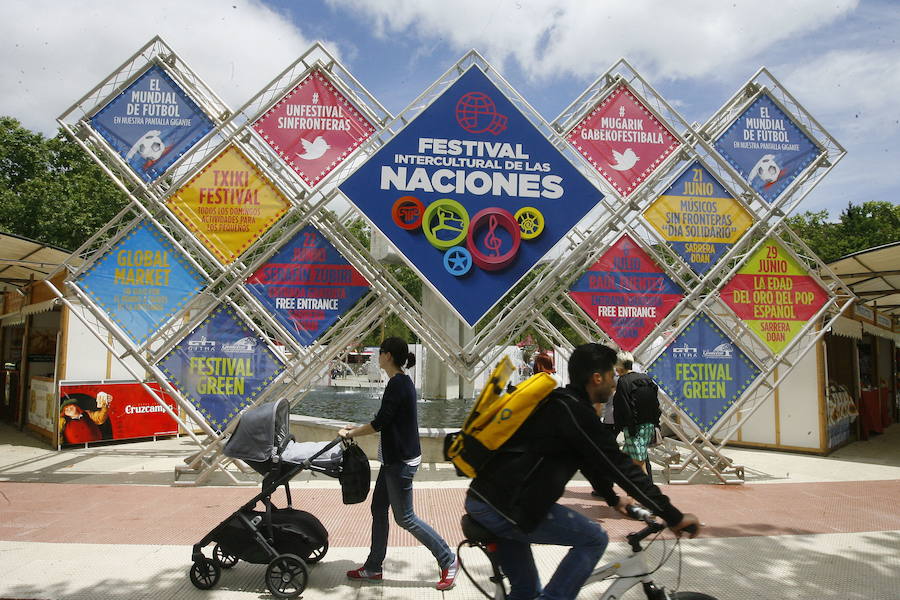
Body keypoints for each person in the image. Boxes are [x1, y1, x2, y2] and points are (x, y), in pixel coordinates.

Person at [464, 342, 700, 600]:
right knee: (594, 538)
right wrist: (673, 516)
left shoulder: (560, 403)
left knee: (525, 591)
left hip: (484, 499)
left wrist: (612, 498)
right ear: (596, 378)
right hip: (507, 508)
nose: (614, 384)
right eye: (611, 376)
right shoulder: (576, 413)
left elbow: (588, 460)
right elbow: (622, 469)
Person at [339, 337, 459, 591]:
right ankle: (373, 567)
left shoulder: (398, 384)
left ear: (388, 356)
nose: (377, 357)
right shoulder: (401, 382)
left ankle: (448, 559)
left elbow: (380, 423)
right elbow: (386, 418)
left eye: (380, 352)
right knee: (378, 508)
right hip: (394, 459)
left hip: (400, 462)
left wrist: (351, 434)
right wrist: (357, 427)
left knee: (405, 517)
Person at [612, 351, 661, 481]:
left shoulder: (623, 381)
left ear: (619, 367)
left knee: (639, 464)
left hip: (634, 429)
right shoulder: (646, 378)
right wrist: (656, 424)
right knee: (629, 463)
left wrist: (620, 427)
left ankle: (648, 495)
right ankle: (633, 494)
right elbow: (656, 404)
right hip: (649, 426)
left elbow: (622, 407)